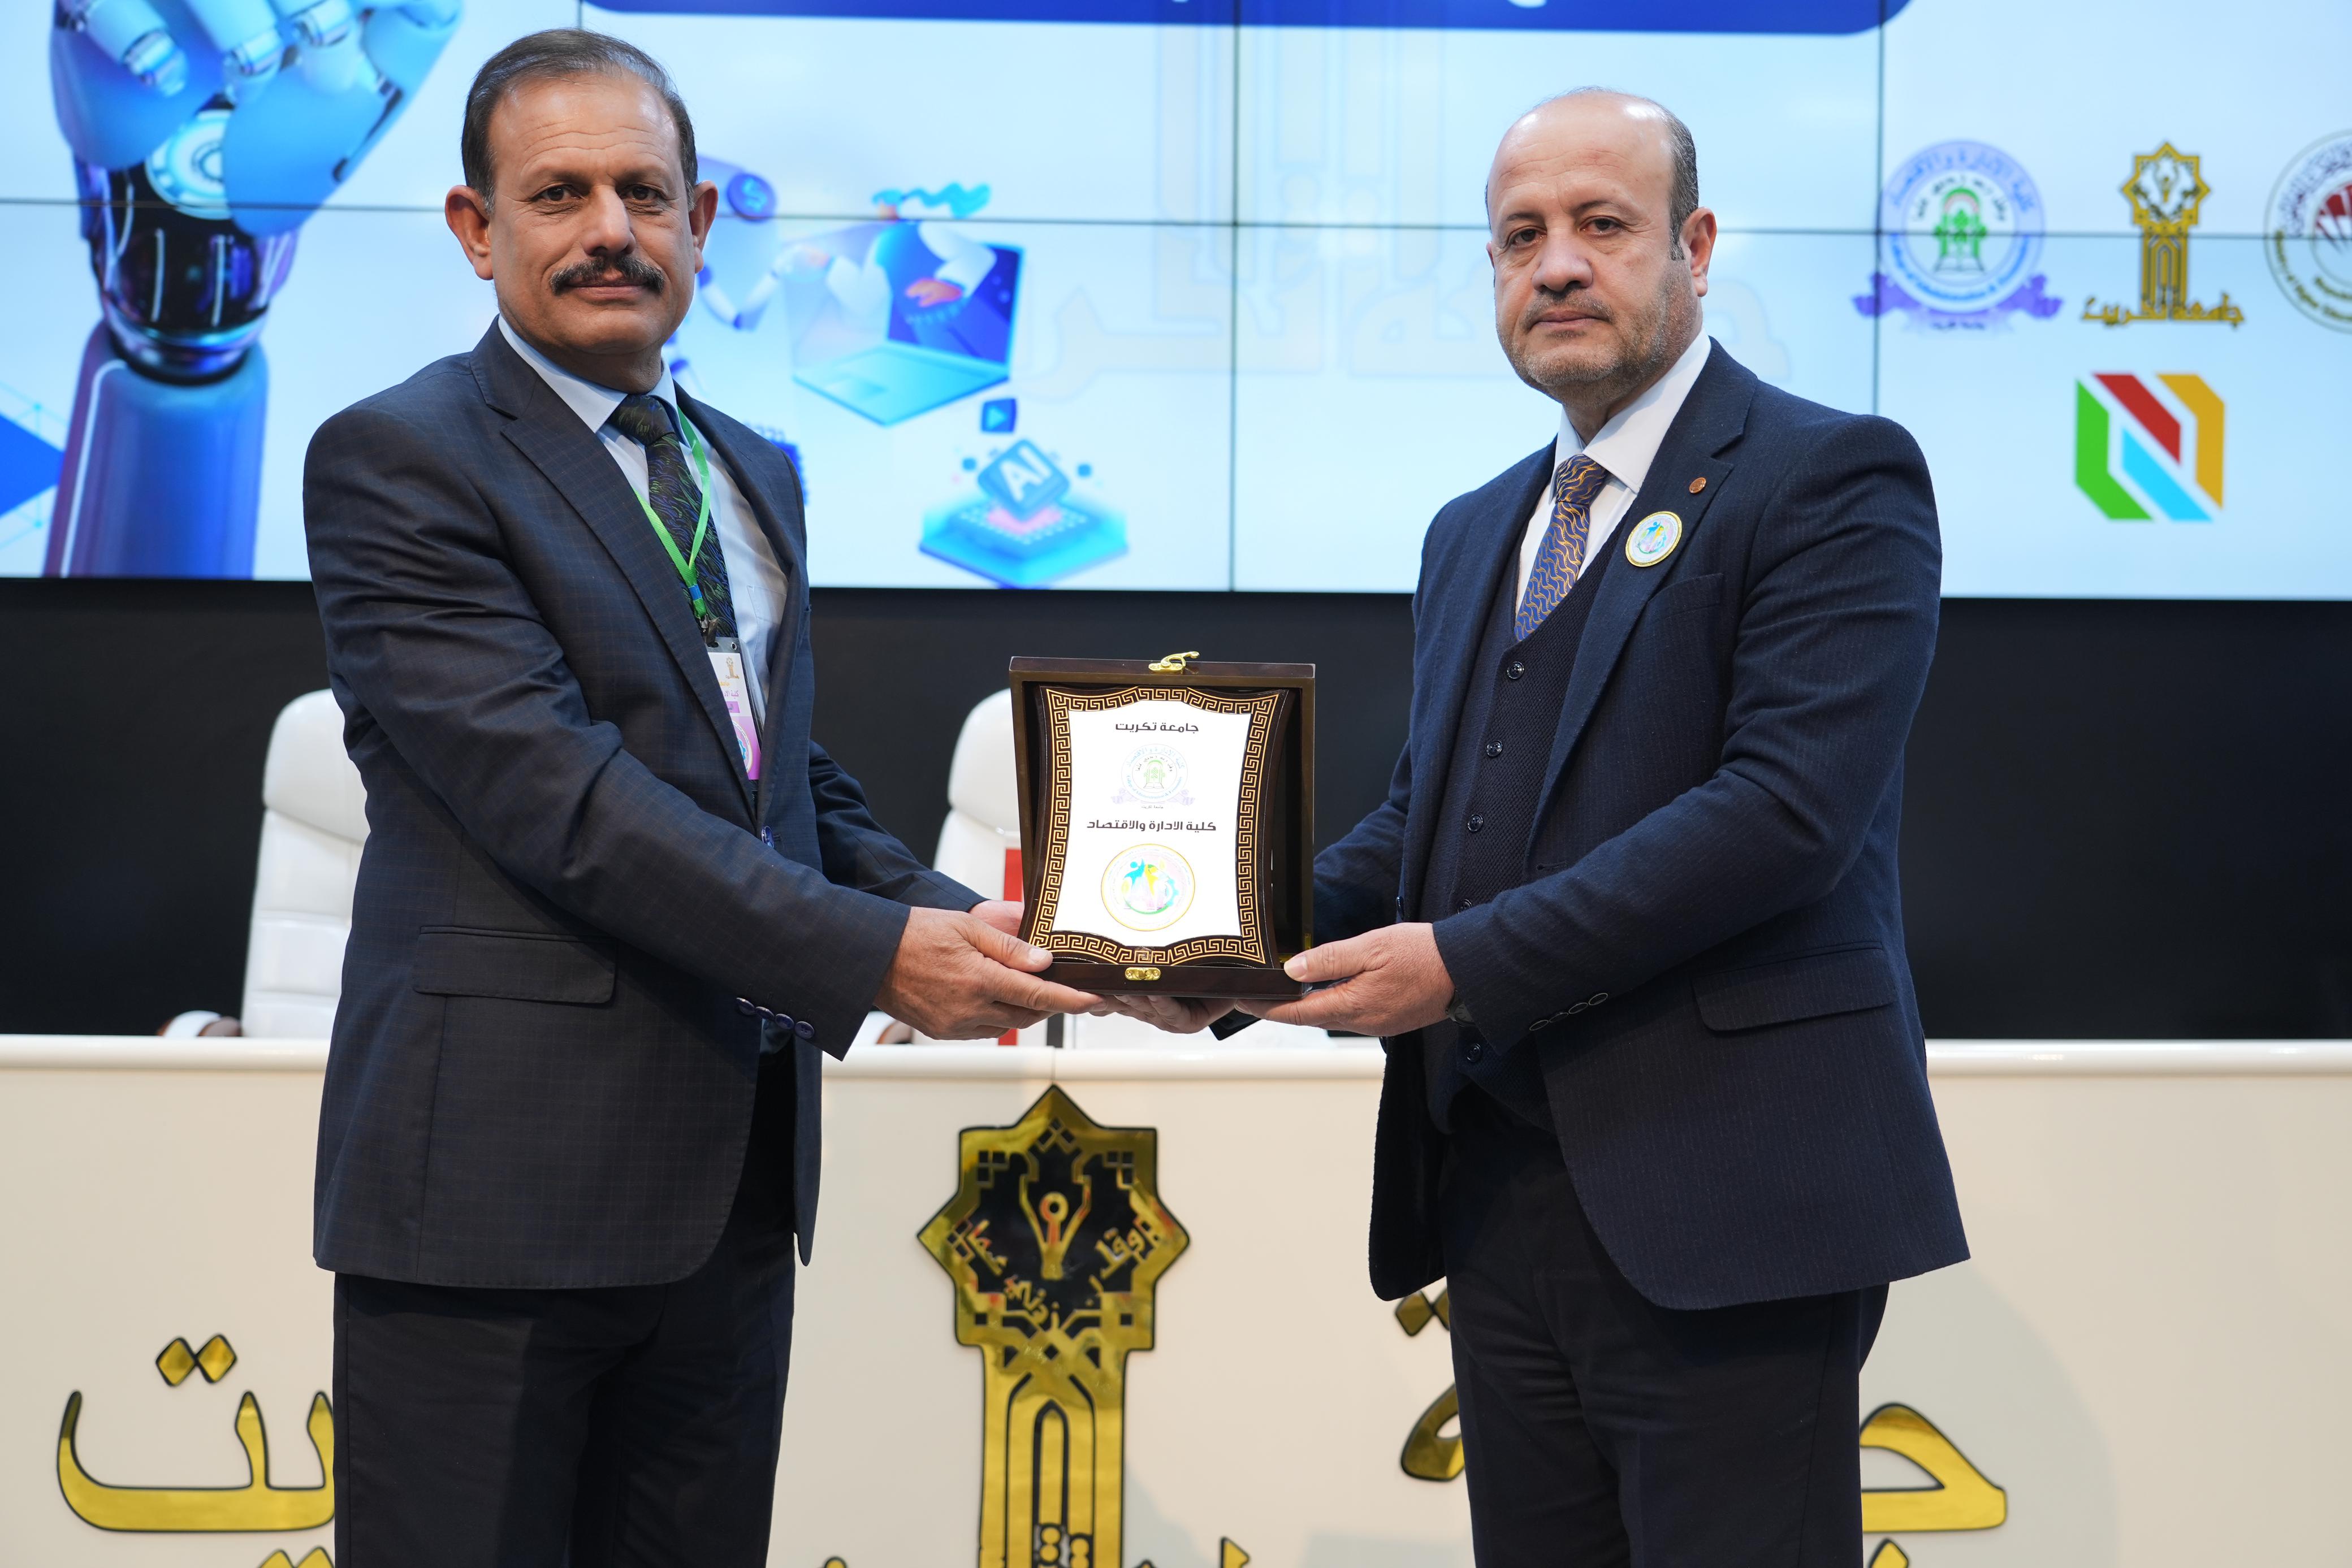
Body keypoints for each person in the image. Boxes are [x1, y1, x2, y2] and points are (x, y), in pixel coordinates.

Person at [1116, 90, 1968, 1564]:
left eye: (1602, 225)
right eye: (1521, 237)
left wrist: (1459, 967)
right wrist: (1220, 948)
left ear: (1696, 246)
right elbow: (1426, 825)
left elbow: (1782, 817)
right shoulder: (1474, 531)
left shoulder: (1831, 477)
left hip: (1730, 1199)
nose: (1557, 265)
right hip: (1498, 1200)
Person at [301, 30, 1097, 1565]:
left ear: (702, 220)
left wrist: (1010, 931)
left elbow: (769, 775)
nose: (612, 229)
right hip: (493, 1199)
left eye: (646, 192)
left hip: (725, 1191)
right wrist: (875, 959)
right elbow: (563, 802)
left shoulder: (751, 468)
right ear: (475, 228)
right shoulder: (402, 458)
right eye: (560, 194)